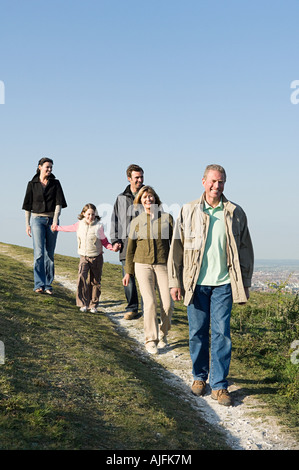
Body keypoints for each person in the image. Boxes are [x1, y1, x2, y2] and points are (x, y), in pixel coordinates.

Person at [168, 164, 254, 406]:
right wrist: (175, 281)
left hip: (224, 284)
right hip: (195, 283)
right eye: (213, 181)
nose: (217, 186)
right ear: (203, 181)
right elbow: (176, 249)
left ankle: (219, 385)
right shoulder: (188, 210)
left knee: (221, 334)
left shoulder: (236, 212)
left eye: (221, 182)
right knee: (197, 332)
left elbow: (246, 249)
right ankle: (199, 377)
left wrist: (244, 283)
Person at [123, 186, 173, 355]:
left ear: (155, 198)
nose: (147, 200)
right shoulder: (136, 222)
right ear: (140, 201)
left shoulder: (167, 219)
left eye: (150, 197)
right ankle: (150, 340)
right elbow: (130, 249)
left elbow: (176, 246)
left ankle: (163, 335)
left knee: (168, 304)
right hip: (142, 264)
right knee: (150, 302)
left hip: (163, 265)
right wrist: (128, 272)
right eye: (144, 198)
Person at [52, 203, 119, 313]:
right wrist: (57, 228)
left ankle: (93, 305)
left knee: (95, 281)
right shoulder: (79, 224)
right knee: (81, 278)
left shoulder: (99, 226)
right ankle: (83, 303)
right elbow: (68, 228)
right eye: (88, 214)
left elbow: (105, 242)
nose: (90, 217)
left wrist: (113, 248)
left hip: (97, 257)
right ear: (83, 214)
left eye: (93, 214)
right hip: (84, 256)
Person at [22, 157, 67, 294]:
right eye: (47, 167)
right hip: (36, 220)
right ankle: (38, 284)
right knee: (39, 253)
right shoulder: (32, 184)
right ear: (40, 167)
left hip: (51, 221)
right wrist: (27, 224)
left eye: (51, 167)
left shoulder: (56, 183)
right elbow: (27, 207)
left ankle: (48, 285)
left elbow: (59, 204)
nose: (49, 169)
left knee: (50, 254)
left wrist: (54, 220)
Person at [110, 164, 144, 320]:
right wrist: (115, 240)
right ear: (129, 178)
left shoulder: (148, 196)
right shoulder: (121, 198)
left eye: (141, 177)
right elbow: (115, 221)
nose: (139, 180)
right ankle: (132, 308)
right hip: (125, 243)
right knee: (128, 278)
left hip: (144, 243)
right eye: (136, 177)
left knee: (145, 277)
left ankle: (147, 310)